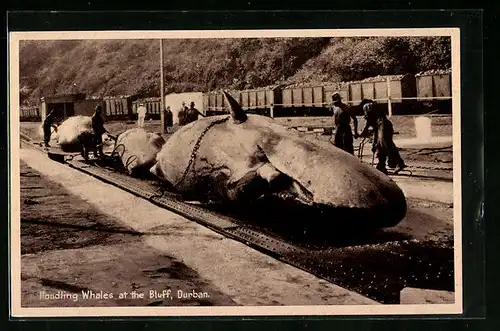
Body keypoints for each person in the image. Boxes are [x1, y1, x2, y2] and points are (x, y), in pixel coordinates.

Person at [359, 99, 406, 175]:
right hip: (380, 126)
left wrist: (362, 132)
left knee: (385, 144)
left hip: (383, 125)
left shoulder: (367, 106)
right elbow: (375, 129)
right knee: (379, 145)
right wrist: (374, 142)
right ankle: (381, 165)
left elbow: (368, 122)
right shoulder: (372, 107)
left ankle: (398, 163)